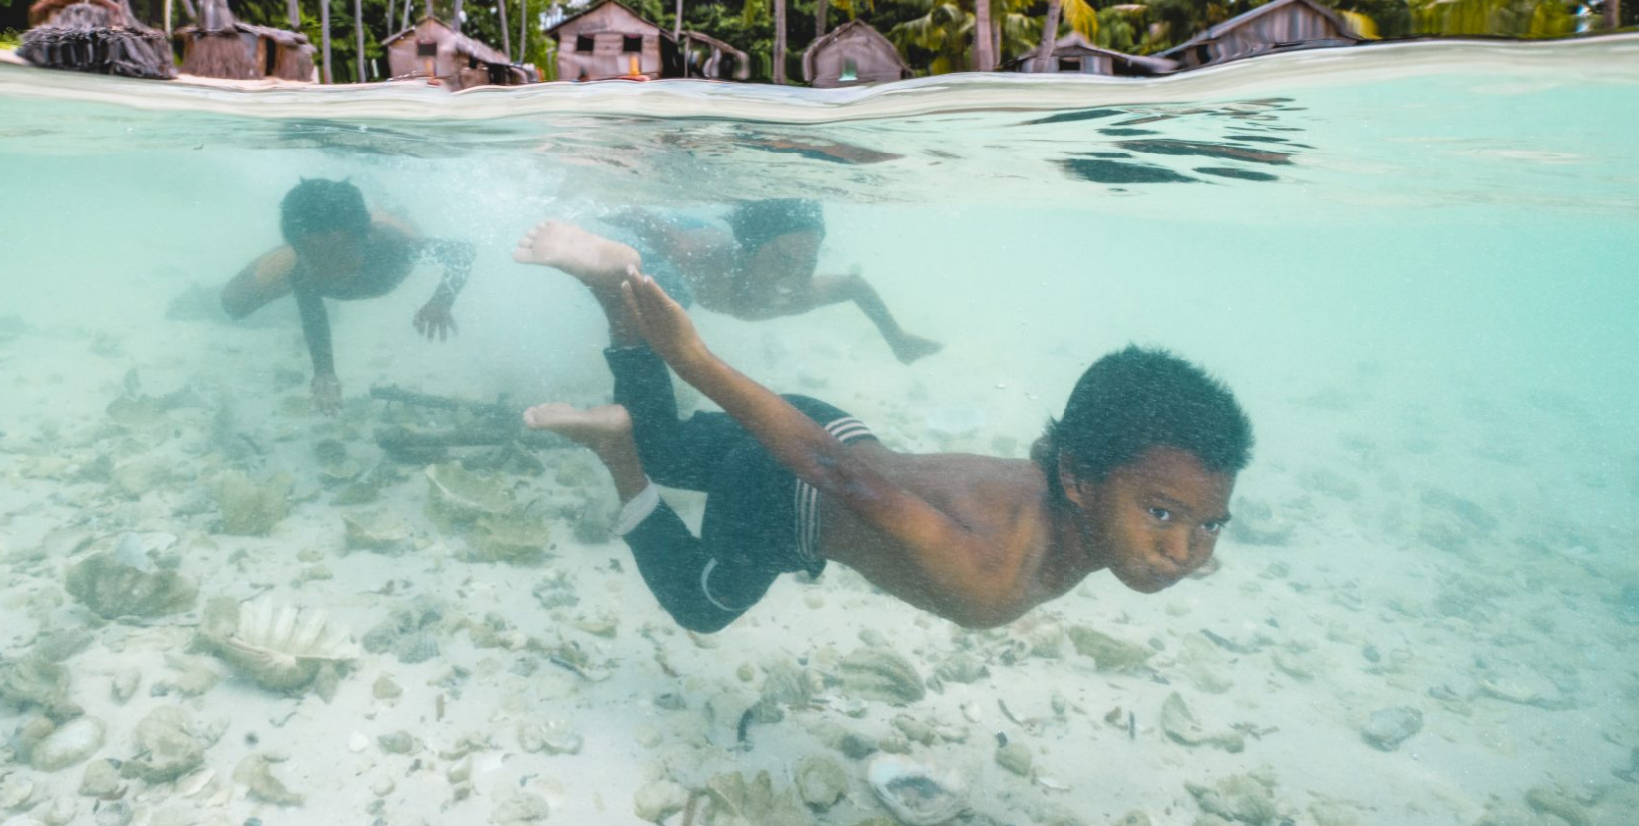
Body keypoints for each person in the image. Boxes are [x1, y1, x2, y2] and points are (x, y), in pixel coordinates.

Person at [512, 220, 1252, 633]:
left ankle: (611, 286)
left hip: (833, 426)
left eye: (1210, 525)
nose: (1182, 551)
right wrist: (693, 358)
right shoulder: (993, 577)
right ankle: (619, 456)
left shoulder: (1070, 476)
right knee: (701, 605)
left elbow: (857, 465)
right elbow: (842, 478)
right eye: (1161, 515)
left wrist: (1186, 531)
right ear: (1078, 480)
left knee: (670, 444)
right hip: (794, 488)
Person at [221, 178, 474, 414]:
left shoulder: (393, 248)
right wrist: (324, 373)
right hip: (319, 245)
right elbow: (313, 313)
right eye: (318, 257)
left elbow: (462, 252)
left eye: (341, 255)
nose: (332, 269)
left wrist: (441, 301)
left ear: (364, 240)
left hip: (391, 227)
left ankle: (374, 183)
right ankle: (295, 255)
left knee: (388, 214)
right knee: (233, 304)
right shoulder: (305, 269)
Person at [604, 199, 941, 364]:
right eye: (783, 260)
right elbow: (636, 215)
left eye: (809, 262)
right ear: (748, 253)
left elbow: (856, 286)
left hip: (707, 257)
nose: (796, 275)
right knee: (646, 285)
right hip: (684, 232)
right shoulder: (700, 257)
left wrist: (898, 339)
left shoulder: (801, 294)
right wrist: (596, 210)